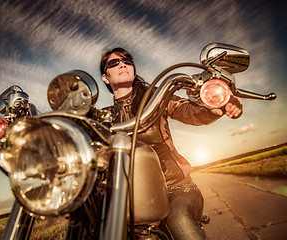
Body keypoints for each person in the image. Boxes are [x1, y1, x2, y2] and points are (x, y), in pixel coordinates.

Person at [99, 47, 242, 240]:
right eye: (114, 63)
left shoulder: (154, 98)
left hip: (177, 187)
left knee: (179, 220)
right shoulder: (103, 117)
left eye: (127, 60)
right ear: (105, 77)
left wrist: (215, 106)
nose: (123, 64)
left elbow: (185, 110)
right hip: (133, 198)